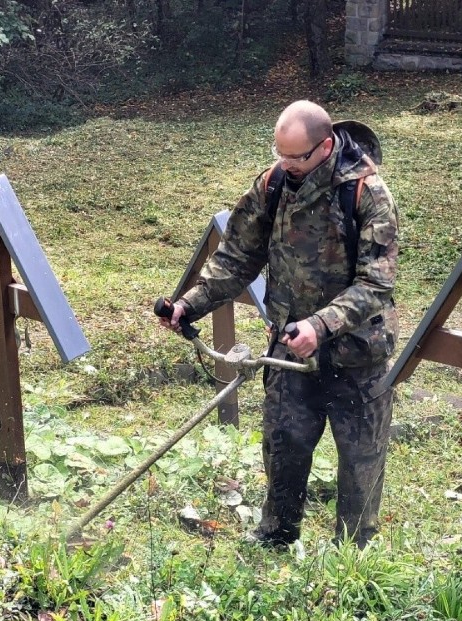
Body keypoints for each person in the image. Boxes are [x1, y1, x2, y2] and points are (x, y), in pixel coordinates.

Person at [158, 100, 399, 549]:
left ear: (324, 147)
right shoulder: (272, 185)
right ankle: (276, 535)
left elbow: (376, 284)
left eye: (296, 157)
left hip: (358, 354)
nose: (286, 165)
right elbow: (237, 256)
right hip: (289, 351)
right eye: (280, 153)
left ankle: (355, 554)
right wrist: (189, 305)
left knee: (360, 462)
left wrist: (322, 326)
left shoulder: (367, 193)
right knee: (284, 446)